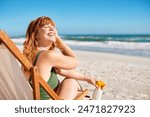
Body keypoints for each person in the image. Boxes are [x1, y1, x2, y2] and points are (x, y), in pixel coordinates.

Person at [23, 16, 98, 100]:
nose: (52, 29)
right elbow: (75, 61)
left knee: (70, 80)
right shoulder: (48, 55)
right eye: (46, 27)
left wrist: (86, 78)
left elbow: (61, 71)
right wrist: (58, 39)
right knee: (71, 82)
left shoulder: (28, 56)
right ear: (36, 35)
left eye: (52, 27)